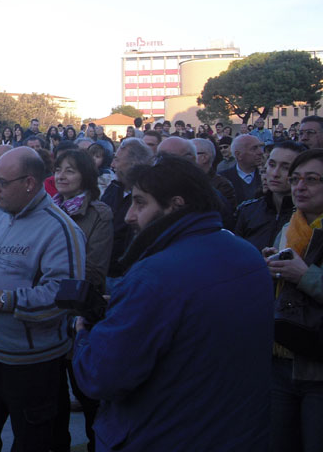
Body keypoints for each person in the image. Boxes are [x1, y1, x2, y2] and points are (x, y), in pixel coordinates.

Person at [72, 156, 274, 452]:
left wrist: (84, 333)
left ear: (175, 205)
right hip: (236, 432)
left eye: (140, 203)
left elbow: (102, 376)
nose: (129, 216)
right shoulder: (246, 253)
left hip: (163, 434)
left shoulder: (153, 277)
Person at [0, 147, 86, 452]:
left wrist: (8, 300)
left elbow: (65, 298)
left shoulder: (60, 230)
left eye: (1, 181)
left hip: (30, 369)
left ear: (29, 183)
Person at [50, 149, 113, 452]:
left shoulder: (99, 213)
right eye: (58, 169)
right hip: (47, 314)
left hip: (78, 315)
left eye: (70, 171)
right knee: (52, 400)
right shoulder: (47, 210)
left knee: (86, 394)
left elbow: (94, 271)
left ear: (85, 176)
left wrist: (48, 276)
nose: (61, 176)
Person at [264, 148, 323, 451]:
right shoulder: (290, 228)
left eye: (312, 180)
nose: (300, 186)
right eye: (297, 178)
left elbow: (304, 278)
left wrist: (305, 275)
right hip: (281, 361)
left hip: (318, 368)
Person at [101, 138, 153, 289]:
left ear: (134, 163)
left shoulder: (150, 196)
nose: (112, 165)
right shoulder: (114, 188)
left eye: (117, 160)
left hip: (128, 279)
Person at [235, 141, 304, 252]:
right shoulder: (248, 211)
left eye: (286, 168)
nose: (275, 173)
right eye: (272, 165)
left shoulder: (307, 216)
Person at [218, 134, 264, 206]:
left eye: (260, 147)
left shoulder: (267, 176)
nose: (260, 152)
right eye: (254, 148)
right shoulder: (223, 179)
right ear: (238, 155)